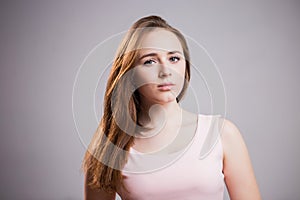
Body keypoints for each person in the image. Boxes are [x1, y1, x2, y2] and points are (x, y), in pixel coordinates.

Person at [82, 15, 261, 200]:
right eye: (150, 61)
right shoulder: (108, 147)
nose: (165, 71)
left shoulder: (222, 134)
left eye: (174, 58)